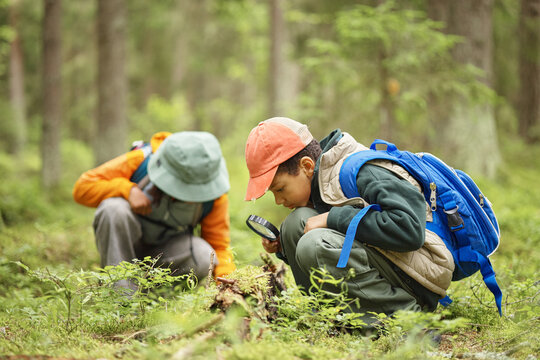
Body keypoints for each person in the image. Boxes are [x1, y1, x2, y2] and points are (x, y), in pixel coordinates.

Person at [244, 117, 455, 326]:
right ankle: (329, 319)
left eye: (280, 189)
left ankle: (408, 321)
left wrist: (333, 217)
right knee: (295, 225)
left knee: (314, 243)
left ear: (307, 166)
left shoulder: (362, 170)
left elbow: (410, 230)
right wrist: (284, 247)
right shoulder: (320, 181)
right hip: (388, 264)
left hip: (417, 277)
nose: (279, 200)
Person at [73, 131, 236, 289]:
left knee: (205, 255)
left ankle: (152, 300)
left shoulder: (214, 195)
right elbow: (82, 188)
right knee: (113, 209)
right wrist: (128, 190)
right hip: (126, 244)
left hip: (169, 254)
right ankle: (121, 299)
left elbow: (220, 246)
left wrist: (228, 285)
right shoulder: (141, 160)